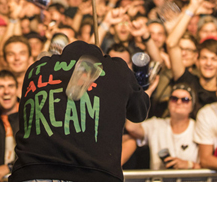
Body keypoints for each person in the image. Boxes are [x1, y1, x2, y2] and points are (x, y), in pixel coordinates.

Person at [10, 39, 150, 181]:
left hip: (32, 173)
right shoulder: (118, 69)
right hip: (94, 175)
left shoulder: (37, 68)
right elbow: (140, 112)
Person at [125, 83, 200, 170]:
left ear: (192, 106)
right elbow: (131, 127)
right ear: (168, 104)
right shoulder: (156, 125)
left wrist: (189, 165)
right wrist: (145, 95)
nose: (179, 102)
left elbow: (207, 163)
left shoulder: (199, 128)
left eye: (185, 100)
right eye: (174, 99)